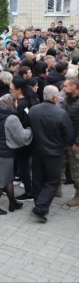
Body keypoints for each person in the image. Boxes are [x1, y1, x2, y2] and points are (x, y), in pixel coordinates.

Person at [28, 86, 75, 223]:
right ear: (55, 98)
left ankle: (39, 203)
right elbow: (70, 135)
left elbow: (27, 126)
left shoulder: (33, 110)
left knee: (37, 179)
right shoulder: (60, 113)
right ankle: (40, 208)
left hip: (37, 150)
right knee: (53, 180)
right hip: (53, 153)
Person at [0, 94, 32, 215]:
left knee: (8, 178)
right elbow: (22, 137)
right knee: (0, 181)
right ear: (11, 103)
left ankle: (12, 202)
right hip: (4, 154)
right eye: (15, 101)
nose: (17, 104)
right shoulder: (11, 118)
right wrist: (31, 130)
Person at [61, 79, 79, 207]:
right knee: (60, 165)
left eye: (66, 86)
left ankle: (78, 195)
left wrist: (77, 143)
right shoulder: (67, 99)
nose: (63, 88)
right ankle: (56, 188)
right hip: (64, 140)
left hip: (75, 143)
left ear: (74, 87)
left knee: (76, 171)